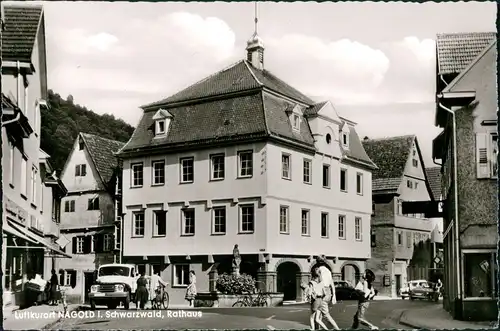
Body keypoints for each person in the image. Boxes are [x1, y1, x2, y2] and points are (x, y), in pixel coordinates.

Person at [314, 256, 340, 330]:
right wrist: (334, 295)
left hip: (323, 292)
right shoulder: (328, 270)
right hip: (328, 292)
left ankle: (337, 329)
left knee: (326, 314)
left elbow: (320, 283)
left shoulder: (318, 271)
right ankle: (318, 329)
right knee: (319, 314)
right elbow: (332, 283)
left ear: (317, 262)